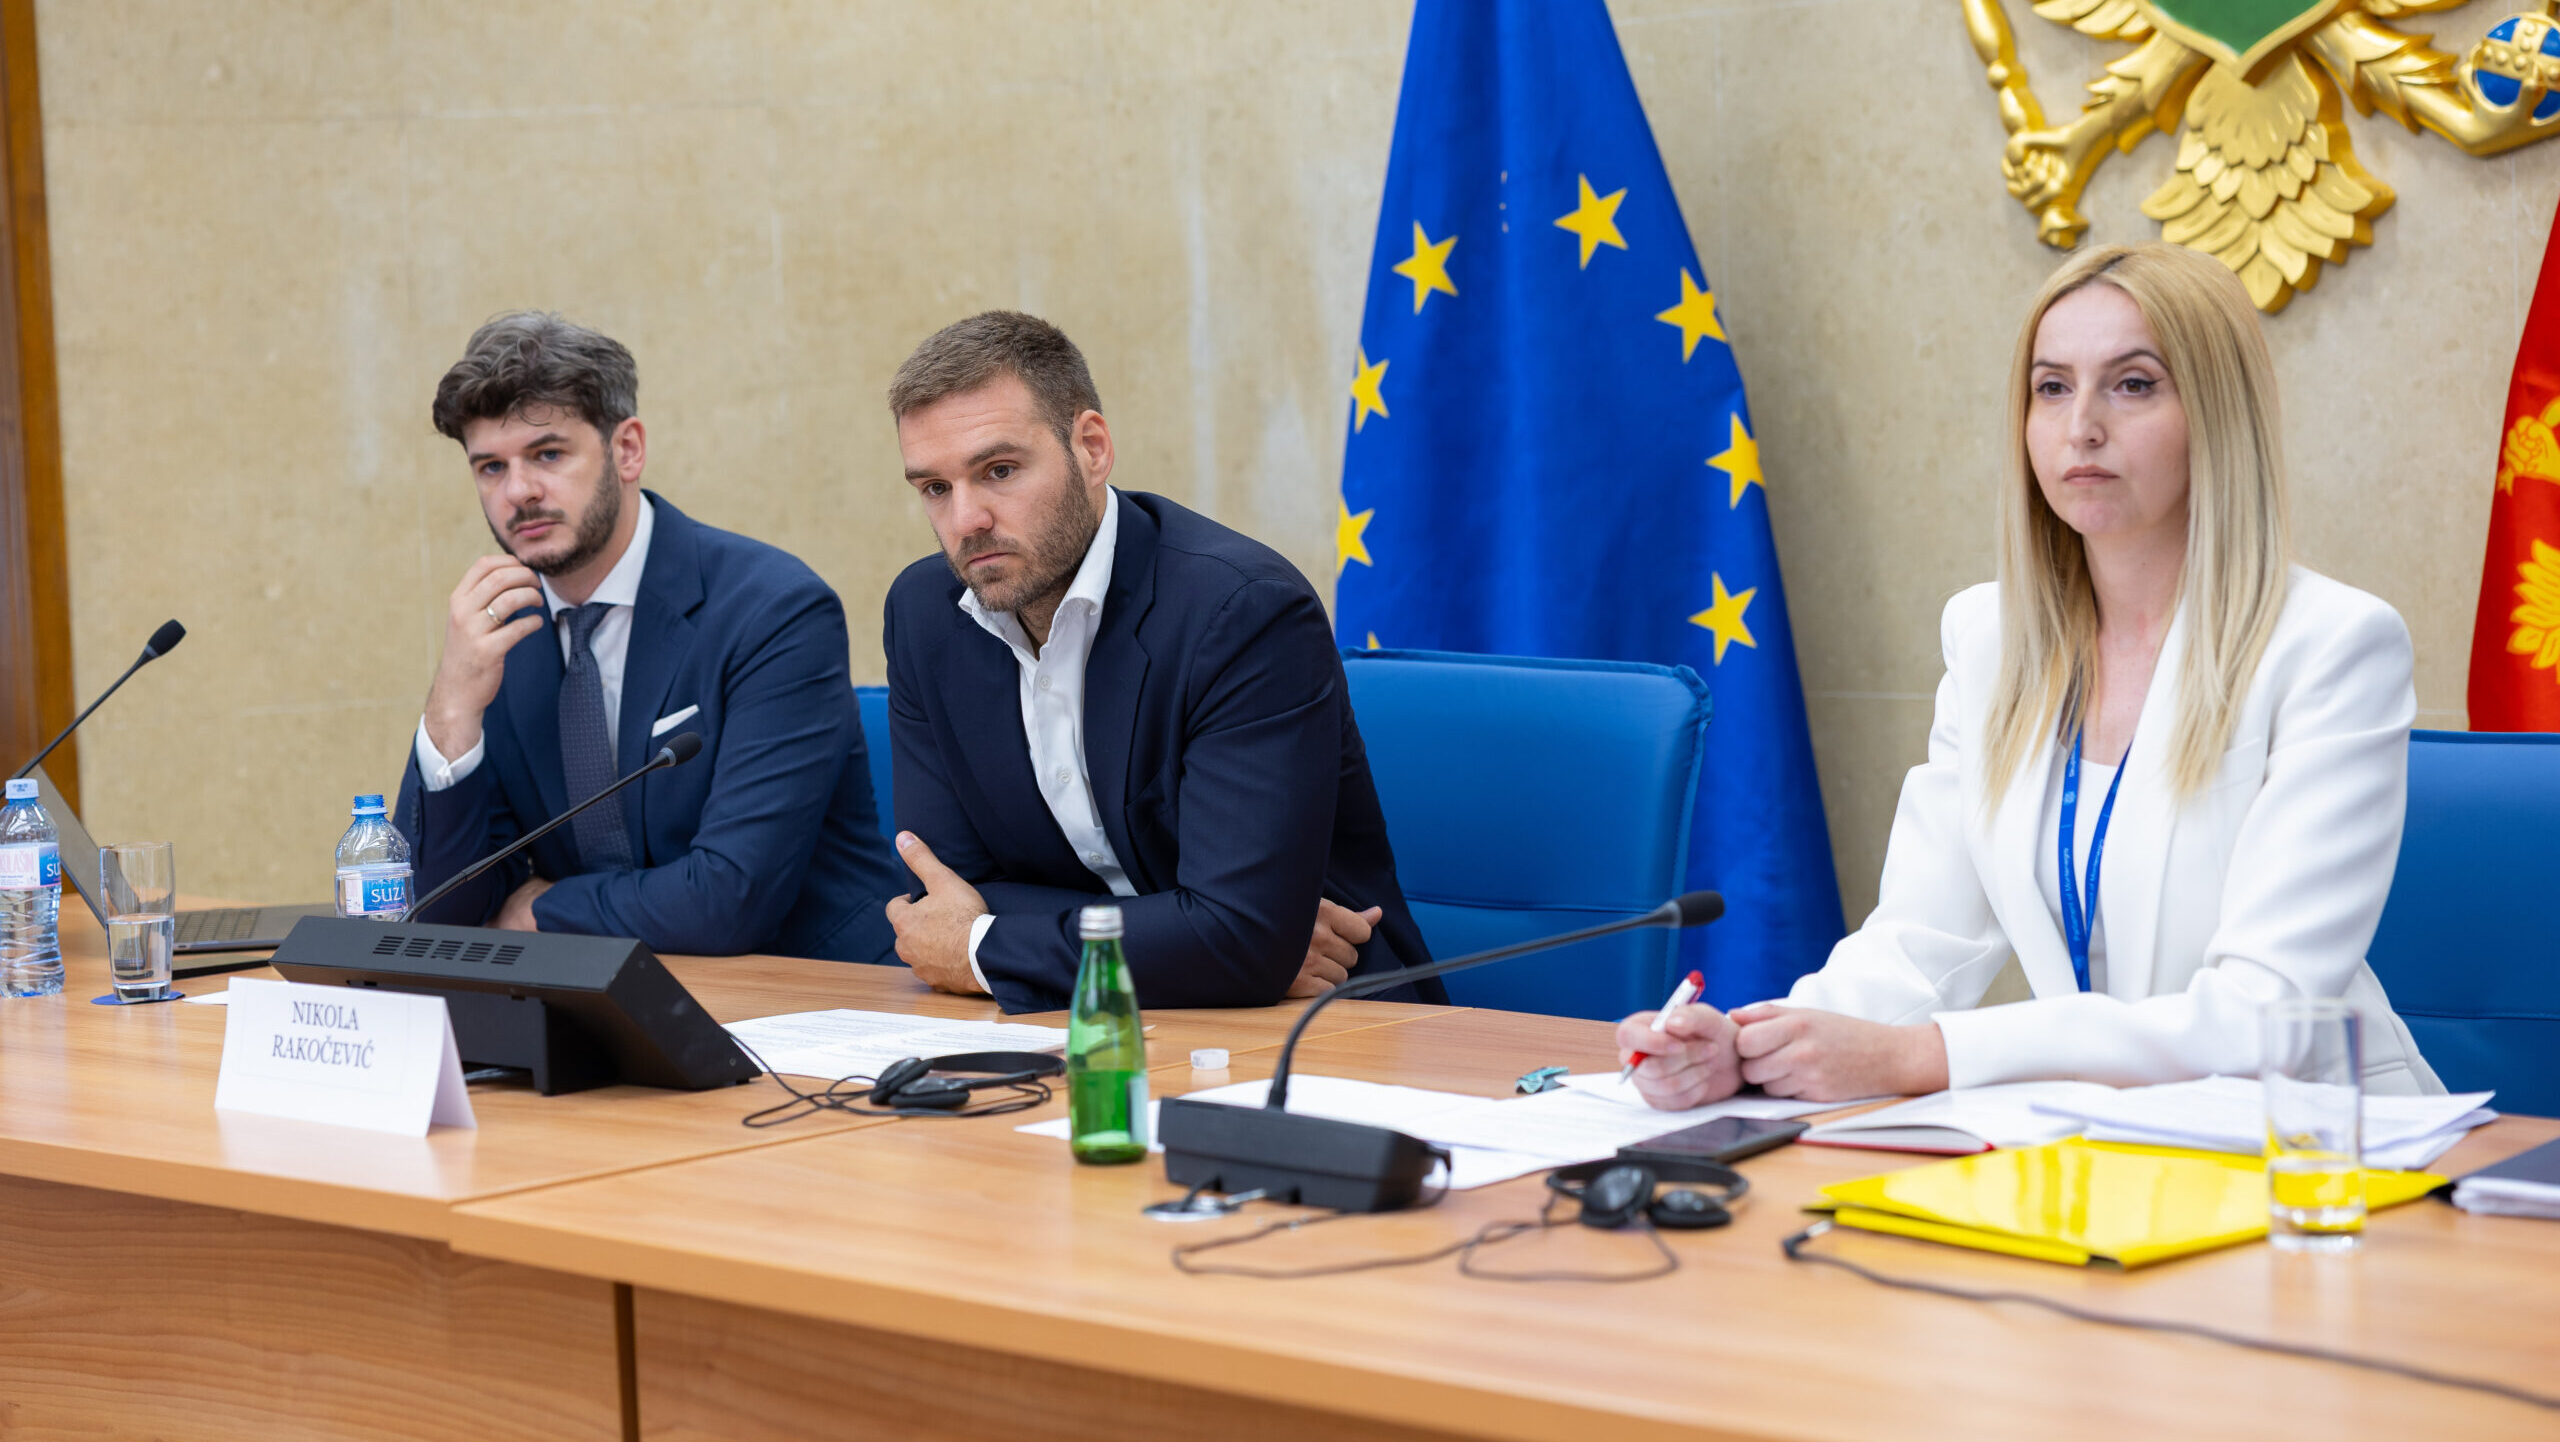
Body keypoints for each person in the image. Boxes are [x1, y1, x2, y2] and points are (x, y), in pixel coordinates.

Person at [1619, 243, 2443, 1106]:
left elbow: (2260, 1016)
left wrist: (1926, 1057)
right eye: (2051, 388)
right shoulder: (1989, 639)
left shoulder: (2334, 646)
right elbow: (1919, 945)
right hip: (2106, 1140)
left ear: (2216, 414)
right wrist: (1754, 1046)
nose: (2081, 426)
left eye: (2133, 384)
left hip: (2321, 1140)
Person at [879, 310, 1439, 1012]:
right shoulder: (926, 614)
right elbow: (942, 894)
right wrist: (1195, 944)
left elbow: (1237, 936)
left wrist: (980, 947)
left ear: (1092, 448)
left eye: (999, 470)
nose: (966, 520)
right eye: (935, 488)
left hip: (1321, 1017)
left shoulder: (1241, 612)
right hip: (1076, 1018)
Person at [395, 312, 902, 963]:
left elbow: (728, 902)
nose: (518, 491)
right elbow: (431, 910)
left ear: (627, 449)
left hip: (805, 991)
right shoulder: (501, 633)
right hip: (595, 997)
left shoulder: (772, 610)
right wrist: (452, 707)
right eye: (491, 467)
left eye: (548, 454)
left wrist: (538, 910)